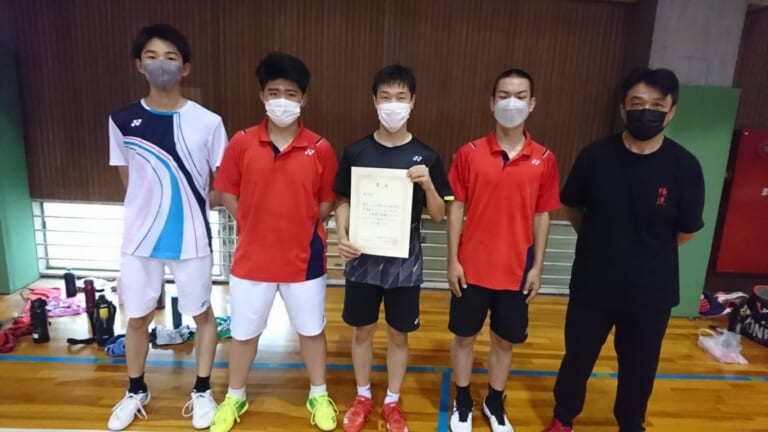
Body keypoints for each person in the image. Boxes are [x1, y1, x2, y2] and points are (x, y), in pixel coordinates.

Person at [542, 68, 705, 432]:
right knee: (577, 358)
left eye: (657, 106)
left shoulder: (685, 167)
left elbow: (687, 230)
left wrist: (647, 254)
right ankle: (563, 418)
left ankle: (631, 425)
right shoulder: (595, 156)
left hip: (651, 292)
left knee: (639, 367)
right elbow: (573, 207)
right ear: (622, 108)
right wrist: (601, 241)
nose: (646, 112)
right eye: (637, 103)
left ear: (671, 111)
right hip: (593, 285)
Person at [210, 52, 339, 432]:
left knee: (311, 332)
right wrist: (251, 222)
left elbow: (327, 200)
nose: (282, 100)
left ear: (304, 99)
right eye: (274, 92)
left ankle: (319, 393)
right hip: (252, 261)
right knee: (243, 335)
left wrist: (303, 223)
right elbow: (226, 192)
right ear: (262, 96)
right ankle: (235, 396)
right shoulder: (242, 142)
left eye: (291, 93)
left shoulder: (320, 147)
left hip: (304, 261)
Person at [107, 24, 226, 431]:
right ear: (139, 65)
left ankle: (202, 390)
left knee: (202, 314)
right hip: (140, 240)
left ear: (185, 68)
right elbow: (129, 180)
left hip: (192, 238)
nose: (162, 64)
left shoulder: (208, 122)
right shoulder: (121, 120)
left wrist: (194, 207)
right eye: (153, 56)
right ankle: (136, 390)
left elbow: (222, 182)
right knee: (137, 318)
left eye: (171, 57)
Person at [334, 64, 453, 432]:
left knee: (399, 334)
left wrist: (429, 185)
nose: (393, 104)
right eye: (386, 97)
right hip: (362, 259)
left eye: (401, 97)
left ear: (412, 102)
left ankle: (392, 400)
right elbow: (343, 201)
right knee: (362, 331)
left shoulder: (426, 156)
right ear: (374, 101)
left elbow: (439, 215)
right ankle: (363, 395)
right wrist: (341, 234)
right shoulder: (356, 152)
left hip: (405, 263)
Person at [447, 69, 561, 432]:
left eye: (520, 96)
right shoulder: (469, 153)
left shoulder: (544, 158)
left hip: (516, 270)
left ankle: (494, 401)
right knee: (464, 337)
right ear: (492, 102)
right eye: (504, 95)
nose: (512, 103)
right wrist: (452, 261)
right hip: (471, 267)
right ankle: (462, 398)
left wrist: (537, 267)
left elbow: (542, 215)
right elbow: (456, 208)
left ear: (532, 103)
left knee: (504, 341)